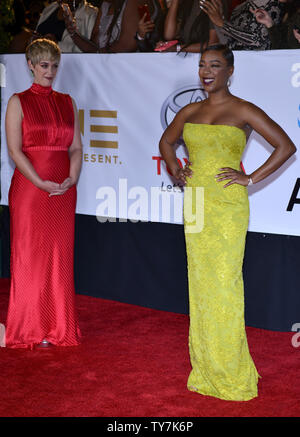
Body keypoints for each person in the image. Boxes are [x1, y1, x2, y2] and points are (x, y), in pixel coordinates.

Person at [159, 44, 296, 400]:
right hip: (196, 204)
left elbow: (286, 146)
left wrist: (250, 179)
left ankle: (230, 369)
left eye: (215, 65)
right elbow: (167, 141)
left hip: (227, 207)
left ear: (230, 71)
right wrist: (176, 170)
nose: (206, 72)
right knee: (201, 284)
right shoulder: (190, 109)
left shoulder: (243, 109)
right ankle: (205, 366)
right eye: (203, 65)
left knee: (225, 284)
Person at [5, 38, 82, 349]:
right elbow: (14, 150)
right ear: (30, 66)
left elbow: (76, 147)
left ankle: (57, 326)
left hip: (63, 192)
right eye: (44, 66)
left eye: (54, 66)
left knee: (59, 258)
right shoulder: (17, 101)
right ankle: (28, 327)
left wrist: (72, 177)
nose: (50, 71)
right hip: (30, 191)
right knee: (29, 257)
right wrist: (39, 181)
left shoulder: (68, 102)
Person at [201, 0, 284, 50]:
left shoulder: (273, 5)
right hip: (235, 63)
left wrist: (223, 24)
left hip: (257, 65)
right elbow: (228, 42)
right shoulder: (238, 8)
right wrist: (218, 16)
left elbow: (259, 41)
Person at [157, 0, 228, 53]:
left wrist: (177, 48)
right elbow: (169, 35)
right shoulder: (188, 3)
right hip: (185, 60)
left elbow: (212, 44)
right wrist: (175, 2)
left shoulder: (214, 2)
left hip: (204, 61)